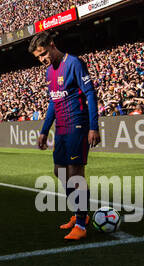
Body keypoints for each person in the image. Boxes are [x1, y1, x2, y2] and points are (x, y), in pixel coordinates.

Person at [30, 33, 100, 241]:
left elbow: (90, 93)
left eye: (43, 54)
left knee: (75, 174)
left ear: (52, 45)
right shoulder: (48, 72)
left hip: (77, 124)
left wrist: (93, 126)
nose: (42, 59)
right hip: (60, 128)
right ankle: (81, 214)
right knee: (59, 172)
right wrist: (44, 130)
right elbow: (53, 102)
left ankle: (80, 223)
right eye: (38, 57)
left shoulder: (74, 63)